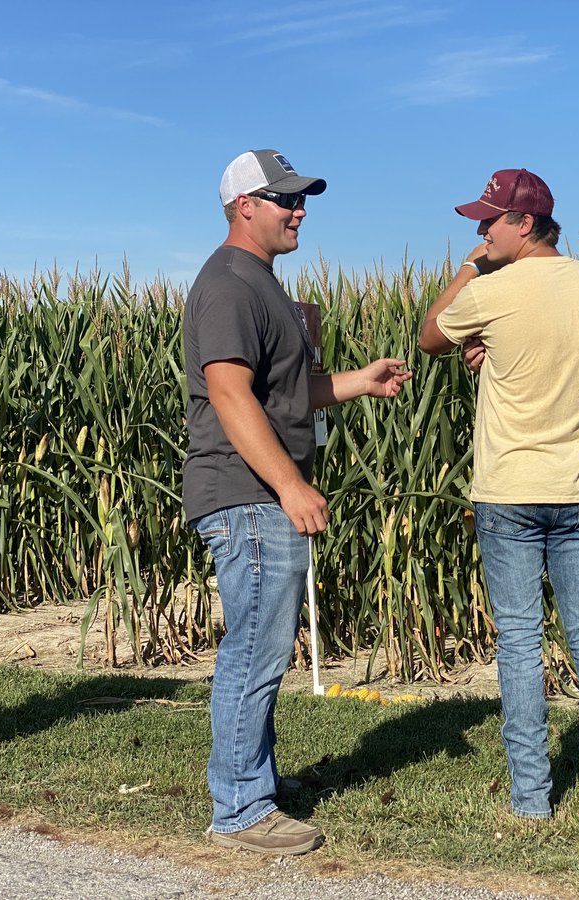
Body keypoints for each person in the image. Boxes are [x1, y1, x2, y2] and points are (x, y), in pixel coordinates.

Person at [183, 149, 411, 854]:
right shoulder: (228, 284)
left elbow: (288, 392)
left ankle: (255, 787)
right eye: (285, 199)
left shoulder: (262, 283)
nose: (299, 210)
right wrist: (288, 483)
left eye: (301, 198)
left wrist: (357, 383)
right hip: (249, 495)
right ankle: (241, 811)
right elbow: (228, 393)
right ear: (244, 206)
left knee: (265, 648)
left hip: (260, 495)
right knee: (254, 651)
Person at [418, 169, 579, 827]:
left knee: (517, 641)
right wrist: (496, 342)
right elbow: (566, 347)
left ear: (525, 223)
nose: (480, 232)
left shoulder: (494, 287)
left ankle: (530, 800)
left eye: (489, 222)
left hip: (509, 490)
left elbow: (430, 335)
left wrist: (470, 269)